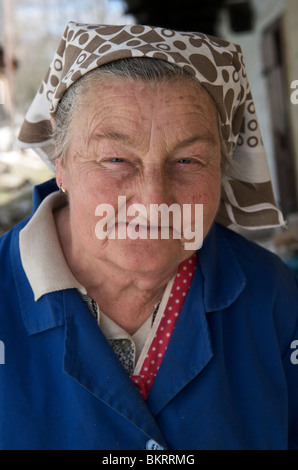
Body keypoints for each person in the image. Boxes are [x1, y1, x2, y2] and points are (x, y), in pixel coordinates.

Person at [0, 22, 297, 451]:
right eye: (116, 157)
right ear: (60, 161)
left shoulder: (269, 292)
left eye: (189, 160)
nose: (154, 200)